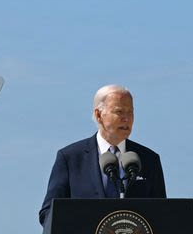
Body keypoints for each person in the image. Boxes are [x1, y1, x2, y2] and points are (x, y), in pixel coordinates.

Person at [38, 84, 167, 224]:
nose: (127, 118)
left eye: (130, 112)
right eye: (119, 112)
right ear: (99, 115)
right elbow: (49, 212)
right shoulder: (70, 158)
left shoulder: (149, 159)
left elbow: (162, 214)